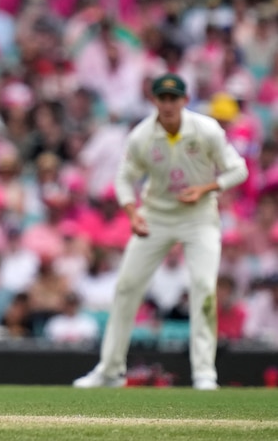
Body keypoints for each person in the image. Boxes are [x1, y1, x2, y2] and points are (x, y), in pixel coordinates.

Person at [73, 73, 248, 391]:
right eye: (162, 98)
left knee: (203, 287)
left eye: (174, 98)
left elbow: (239, 169)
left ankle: (205, 373)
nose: (168, 104)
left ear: (184, 100)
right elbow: (124, 179)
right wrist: (132, 213)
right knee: (126, 287)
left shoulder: (206, 130)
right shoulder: (141, 136)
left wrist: (206, 188)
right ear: (154, 101)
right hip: (155, 217)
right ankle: (110, 370)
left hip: (199, 217)